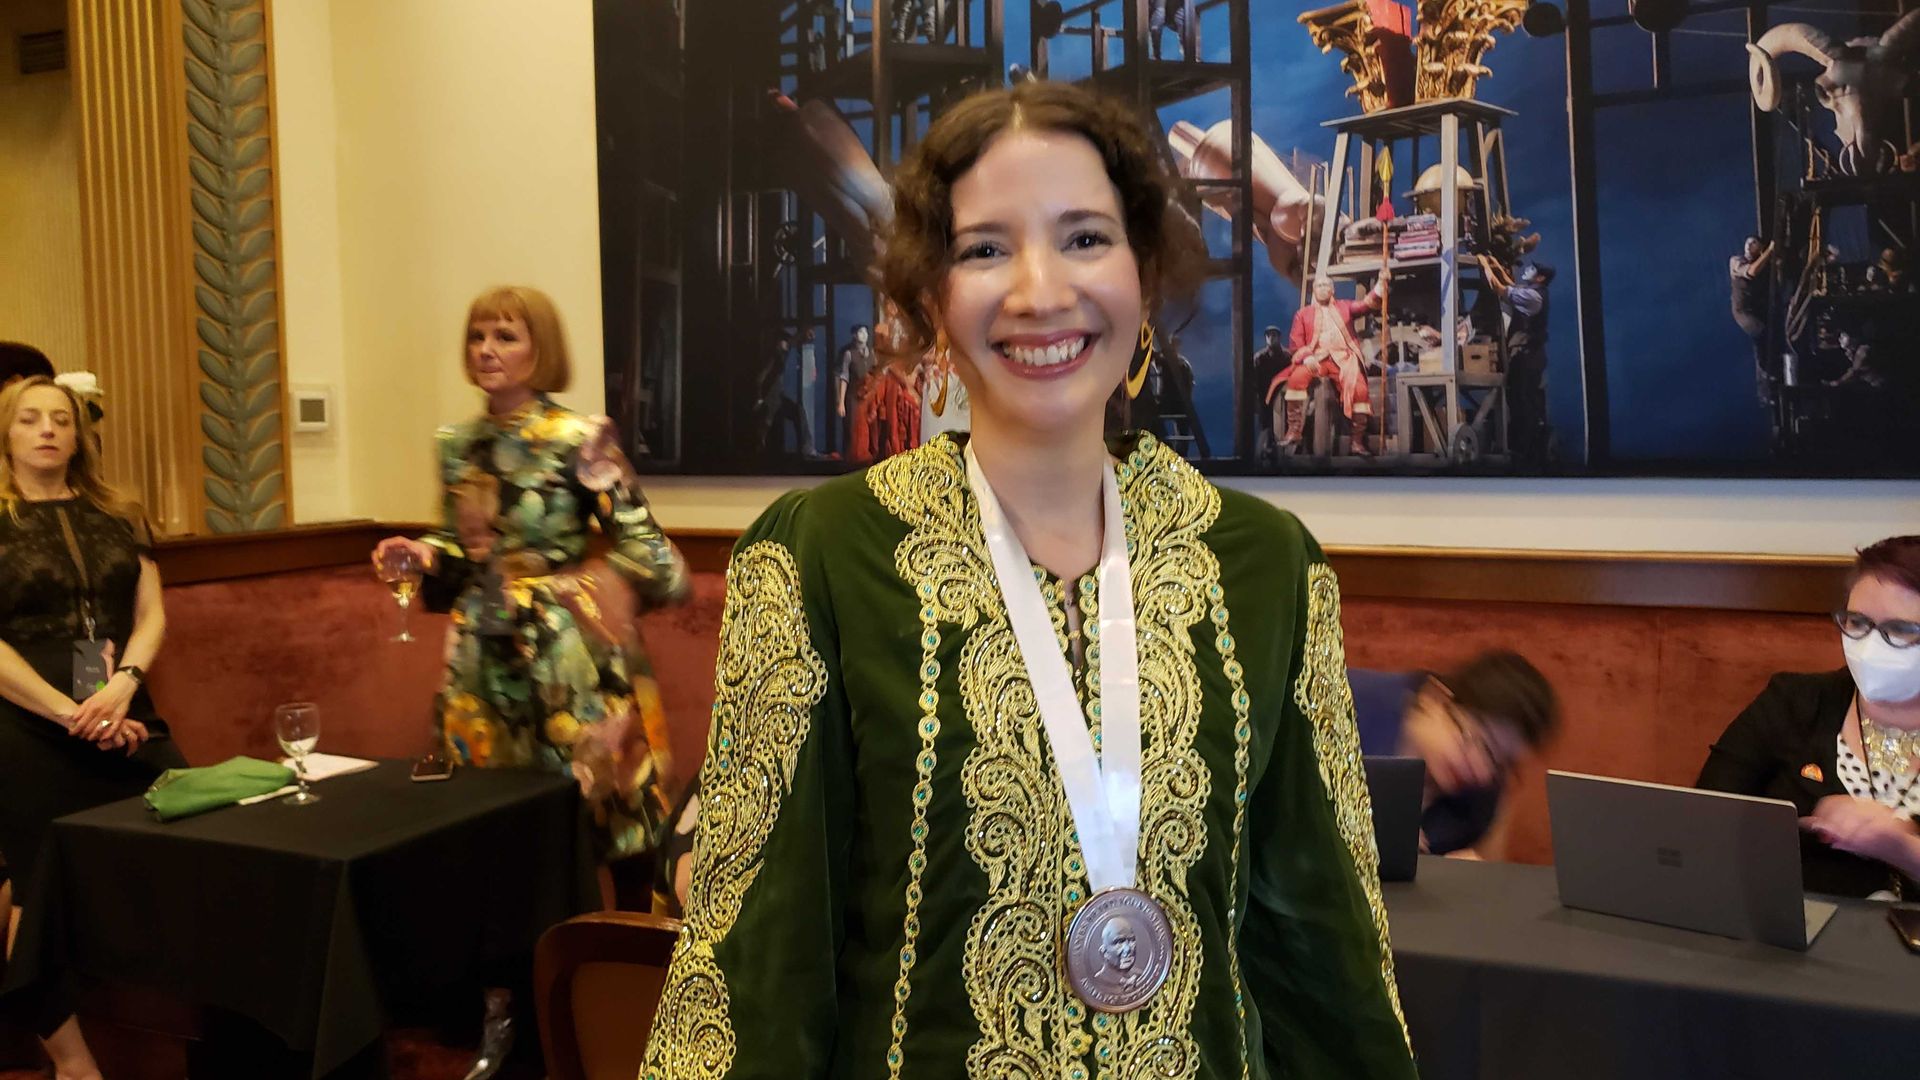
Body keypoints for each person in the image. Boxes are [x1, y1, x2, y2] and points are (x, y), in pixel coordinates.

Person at [641, 80, 1414, 1077]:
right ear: (930, 292)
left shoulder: (1265, 567)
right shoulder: (822, 558)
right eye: (985, 248)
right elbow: (755, 975)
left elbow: (1328, 959)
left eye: (1086, 237)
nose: (1041, 290)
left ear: (1146, 265)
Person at [372, 285, 688, 1079]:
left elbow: (655, 560)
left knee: (608, 829)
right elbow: (460, 552)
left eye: (505, 335)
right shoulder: (457, 443)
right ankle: (507, 1022)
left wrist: (600, 540)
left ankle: (629, 1011)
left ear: (539, 347)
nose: (486, 348)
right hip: (482, 669)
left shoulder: (578, 436)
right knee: (494, 842)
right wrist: (422, 555)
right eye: (477, 334)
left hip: (567, 664)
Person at [0, 376, 186, 1080]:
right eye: (29, 419)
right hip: (21, 710)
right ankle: (76, 1066)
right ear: (7, 434)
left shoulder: (120, 514)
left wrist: (121, 691)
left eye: (61, 419)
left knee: (192, 817)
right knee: (36, 877)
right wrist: (68, 713)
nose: (47, 430)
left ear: (80, 435)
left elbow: (150, 616)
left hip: (112, 694)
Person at [1698, 535, 1920, 899]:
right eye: (1857, 622)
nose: (1870, 646)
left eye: (1900, 630)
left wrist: (1903, 850)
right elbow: (1704, 816)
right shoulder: (1795, 701)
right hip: (1788, 933)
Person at [1349, 651, 1561, 859]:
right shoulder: (1346, 705)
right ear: (1436, 698)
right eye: (1480, 743)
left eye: (1499, 765)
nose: (1481, 772)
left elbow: (1488, 868)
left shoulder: (1480, 800)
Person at [1278, 275, 1383, 455]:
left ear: (1332, 290)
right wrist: (1306, 357)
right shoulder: (1303, 314)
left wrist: (1381, 284)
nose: (1322, 288)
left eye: (1326, 285)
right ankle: (1294, 431)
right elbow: (1296, 343)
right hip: (1317, 359)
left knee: (1360, 390)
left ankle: (1357, 442)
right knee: (1296, 378)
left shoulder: (1345, 307)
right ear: (1314, 290)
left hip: (1343, 359)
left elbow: (1367, 304)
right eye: (1318, 285)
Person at [1478, 255, 1554, 465]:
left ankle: (1527, 451)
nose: (1527, 270)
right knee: (1524, 398)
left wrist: (1485, 266)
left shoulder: (1533, 297)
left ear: (1540, 278)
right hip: (1530, 355)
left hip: (1526, 356)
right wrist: (1496, 264)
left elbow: (1501, 290)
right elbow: (1511, 285)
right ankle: (1529, 447)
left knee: (1522, 400)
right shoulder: (1533, 292)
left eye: (1533, 269)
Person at [1729, 235, 1776, 404]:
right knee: (1760, 334)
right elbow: (1751, 272)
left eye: (1754, 243)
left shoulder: (1766, 264)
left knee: (1773, 335)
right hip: (1743, 312)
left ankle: (1773, 374)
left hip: (1759, 309)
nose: (1749, 245)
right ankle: (1765, 380)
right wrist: (1770, 250)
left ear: (1760, 247)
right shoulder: (1736, 261)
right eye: (1747, 242)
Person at [832, 323, 874, 456]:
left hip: (868, 396)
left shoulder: (871, 353)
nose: (864, 335)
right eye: (861, 332)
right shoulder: (849, 354)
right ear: (854, 335)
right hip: (853, 396)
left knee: (869, 429)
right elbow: (844, 378)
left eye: (866, 332)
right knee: (851, 428)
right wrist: (841, 402)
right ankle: (849, 459)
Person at [1250, 324, 1287, 461]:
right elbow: (1252, 382)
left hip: (1283, 399)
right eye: (1268, 335)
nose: (1271, 338)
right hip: (1264, 399)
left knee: (1282, 428)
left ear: (1279, 338)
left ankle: (1281, 456)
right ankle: (1263, 454)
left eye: (1274, 335)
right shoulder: (1259, 358)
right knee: (1265, 427)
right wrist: (1255, 402)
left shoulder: (1287, 357)